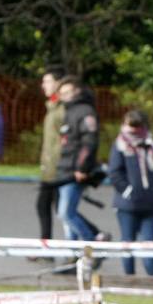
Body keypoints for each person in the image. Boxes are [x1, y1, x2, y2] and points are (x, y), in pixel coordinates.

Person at [108, 109, 153, 275]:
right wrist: (128, 191)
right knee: (128, 244)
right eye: (130, 126)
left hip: (149, 206)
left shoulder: (151, 145)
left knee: (149, 247)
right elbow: (114, 173)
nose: (133, 131)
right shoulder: (120, 145)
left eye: (137, 127)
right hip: (127, 206)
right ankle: (129, 280)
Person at [52, 75, 101, 242]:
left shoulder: (85, 111)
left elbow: (89, 142)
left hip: (74, 171)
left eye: (68, 92)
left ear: (77, 91)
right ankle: (72, 254)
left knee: (66, 213)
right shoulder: (69, 111)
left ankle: (92, 246)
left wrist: (81, 167)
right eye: (62, 93)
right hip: (64, 169)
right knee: (64, 215)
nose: (65, 96)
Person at [34, 69, 64, 242]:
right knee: (44, 205)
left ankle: (92, 237)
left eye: (47, 81)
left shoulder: (61, 108)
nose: (43, 85)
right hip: (50, 166)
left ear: (58, 83)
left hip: (58, 167)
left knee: (63, 210)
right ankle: (46, 246)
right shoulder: (52, 106)